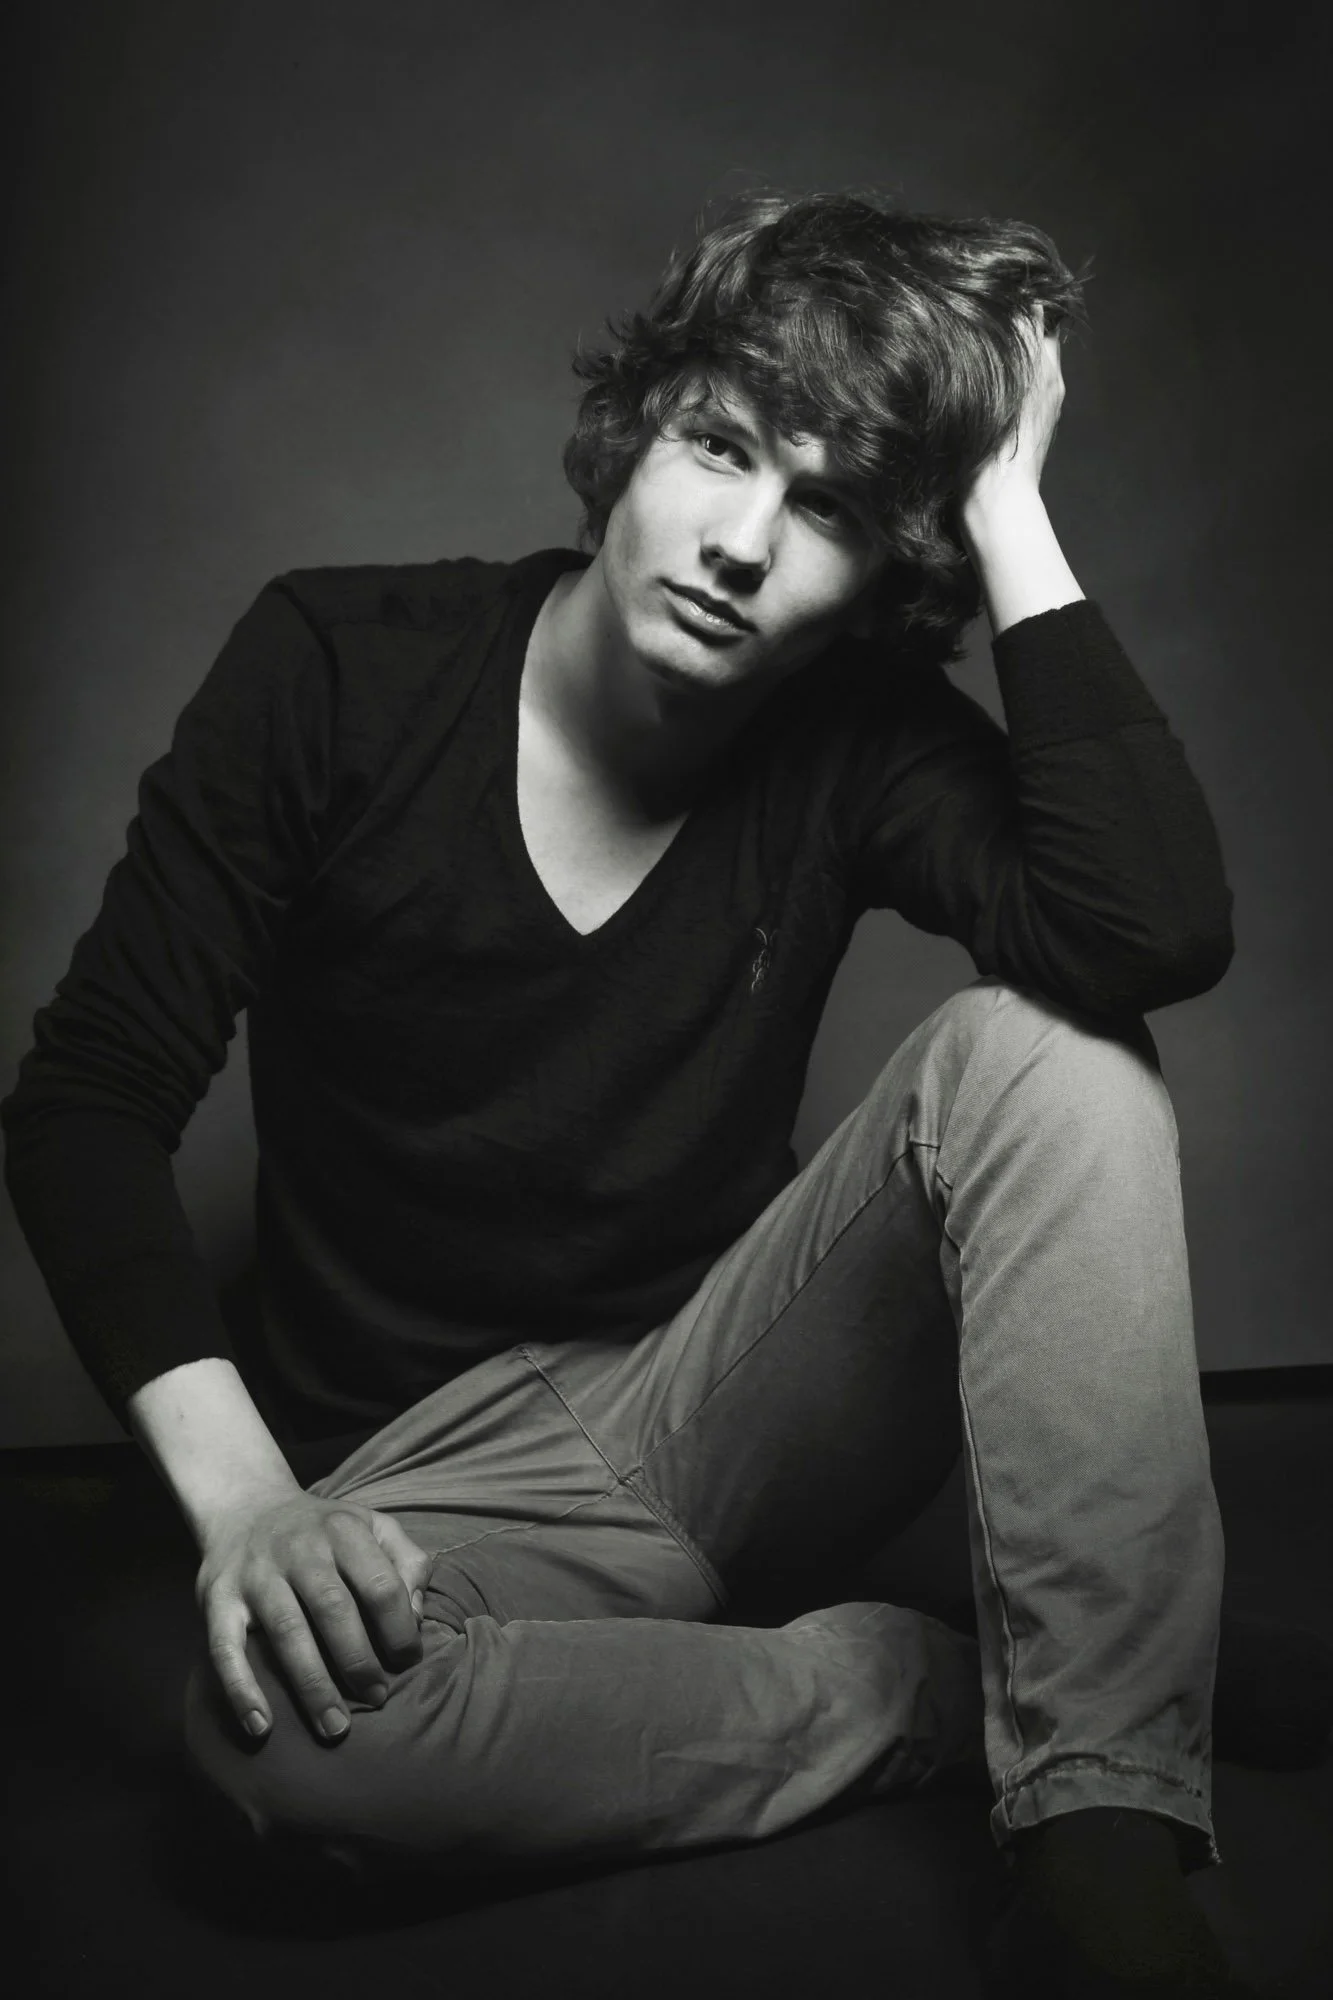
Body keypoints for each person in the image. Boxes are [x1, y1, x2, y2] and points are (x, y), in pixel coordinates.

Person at [2, 190, 1294, 1997]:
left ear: (882, 567)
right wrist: (252, 1507)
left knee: (1054, 1051)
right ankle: (926, 1685)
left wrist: (1005, 500)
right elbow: (86, 1100)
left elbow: (1142, 928)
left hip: (715, 1414)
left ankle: (1096, 1845)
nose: (745, 541)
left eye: (832, 503)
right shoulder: (335, 667)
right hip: (413, 1484)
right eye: (721, 446)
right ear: (634, 435)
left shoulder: (849, 738)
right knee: (283, 1751)